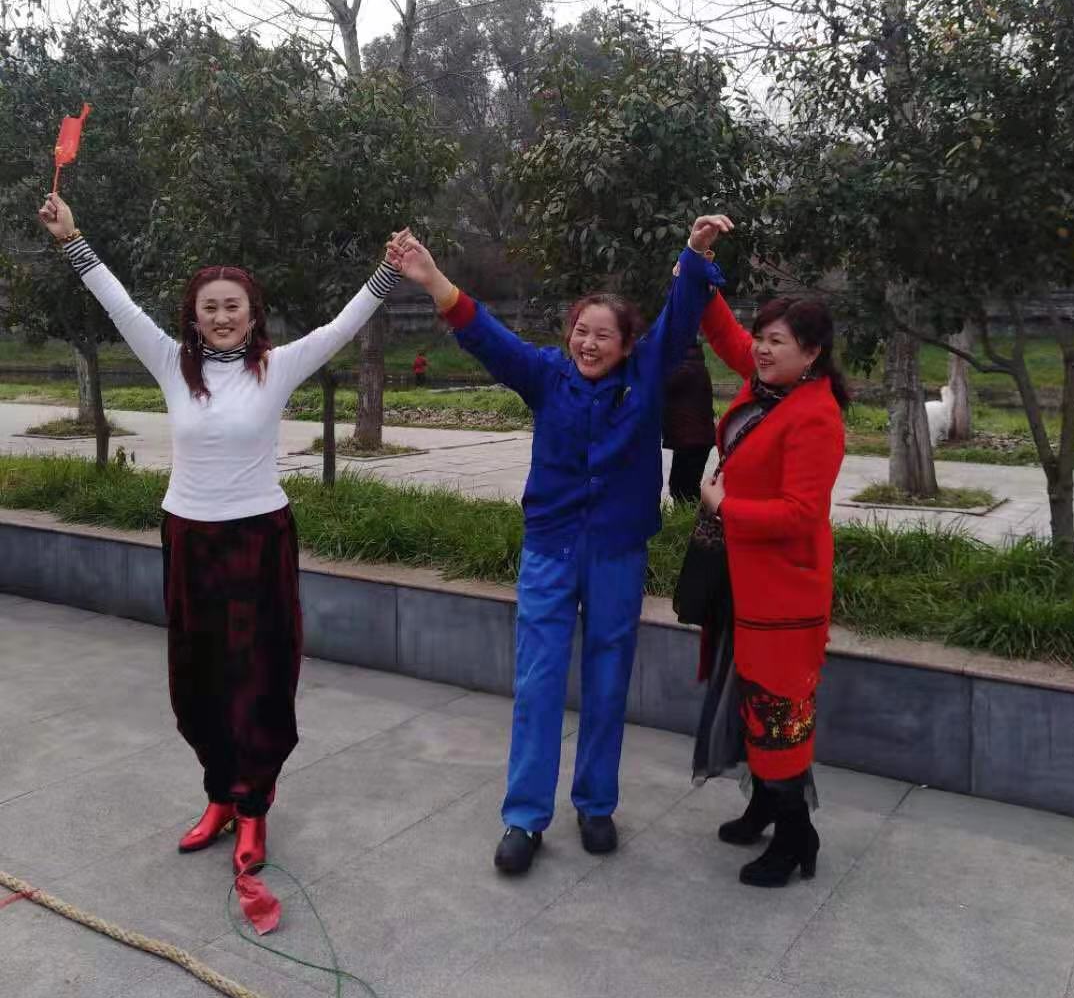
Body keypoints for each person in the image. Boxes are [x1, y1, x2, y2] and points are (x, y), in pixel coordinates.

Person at [38, 190, 405, 877]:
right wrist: (70, 239)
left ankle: (255, 805)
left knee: (260, 674)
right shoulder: (171, 363)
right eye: (209, 307)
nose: (222, 316)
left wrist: (389, 270)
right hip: (189, 538)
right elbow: (118, 304)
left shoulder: (278, 366)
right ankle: (219, 795)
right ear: (194, 317)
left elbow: (342, 326)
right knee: (196, 675)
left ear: (252, 312)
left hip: (259, 539)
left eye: (233, 305)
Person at [389, 216, 732, 876]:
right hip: (550, 548)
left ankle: (596, 804)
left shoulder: (646, 373)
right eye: (581, 330)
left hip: (618, 551)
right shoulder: (546, 374)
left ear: (627, 344)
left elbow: (681, 314)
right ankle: (524, 816)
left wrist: (693, 254)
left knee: (608, 677)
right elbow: (486, 335)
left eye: (603, 334)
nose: (588, 342)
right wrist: (432, 279)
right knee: (539, 680)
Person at [693, 291, 848, 887]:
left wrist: (725, 506)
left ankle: (795, 835)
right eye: (760, 336)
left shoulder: (815, 415)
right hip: (741, 579)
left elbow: (801, 514)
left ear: (811, 353)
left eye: (775, 340)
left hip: (783, 592)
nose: (760, 348)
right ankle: (762, 805)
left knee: (778, 710)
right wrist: (697, 265)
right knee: (746, 698)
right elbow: (724, 333)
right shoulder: (768, 384)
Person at [663, 339, 716, 503]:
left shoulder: (686, 366)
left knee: (683, 489)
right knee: (681, 486)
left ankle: (695, 517)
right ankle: (693, 515)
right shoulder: (693, 363)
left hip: (693, 440)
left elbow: (662, 384)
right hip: (693, 439)